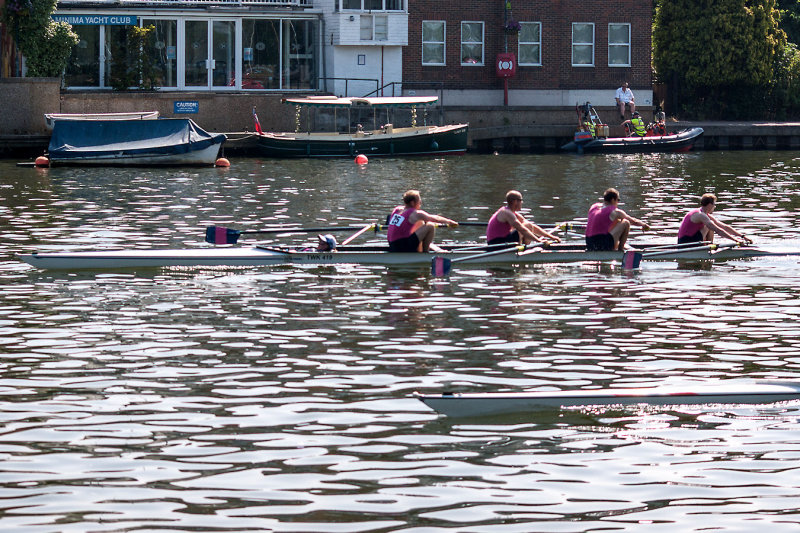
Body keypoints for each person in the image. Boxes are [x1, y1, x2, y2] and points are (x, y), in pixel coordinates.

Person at [386, 190, 458, 253]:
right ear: (412, 203)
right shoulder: (415, 213)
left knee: (421, 223)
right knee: (430, 226)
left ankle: (419, 250)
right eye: (419, 199)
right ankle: (425, 253)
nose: (420, 202)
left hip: (392, 245)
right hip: (402, 247)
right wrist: (449, 222)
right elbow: (435, 218)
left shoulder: (397, 209)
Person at [486, 190, 561, 245]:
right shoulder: (507, 213)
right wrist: (539, 241)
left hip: (502, 241)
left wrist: (551, 237)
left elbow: (532, 227)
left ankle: (524, 247)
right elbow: (522, 229)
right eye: (521, 200)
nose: (522, 203)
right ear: (515, 201)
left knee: (527, 224)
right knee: (525, 226)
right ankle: (524, 250)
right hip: (496, 244)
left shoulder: (511, 213)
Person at [585, 188, 650, 251]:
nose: (618, 202)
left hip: (589, 244)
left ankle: (618, 245)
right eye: (618, 200)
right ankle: (620, 251)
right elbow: (633, 221)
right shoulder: (615, 212)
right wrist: (644, 225)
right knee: (626, 223)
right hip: (602, 245)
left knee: (618, 221)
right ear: (613, 200)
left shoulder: (593, 207)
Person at [677, 194, 752, 245]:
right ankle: (708, 247)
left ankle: (708, 245)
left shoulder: (705, 215)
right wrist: (736, 241)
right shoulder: (700, 215)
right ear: (709, 205)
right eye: (714, 204)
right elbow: (718, 230)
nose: (715, 207)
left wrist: (742, 236)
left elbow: (724, 227)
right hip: (686, 242)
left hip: (689, 240)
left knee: (712, 223)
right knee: (710, 225)